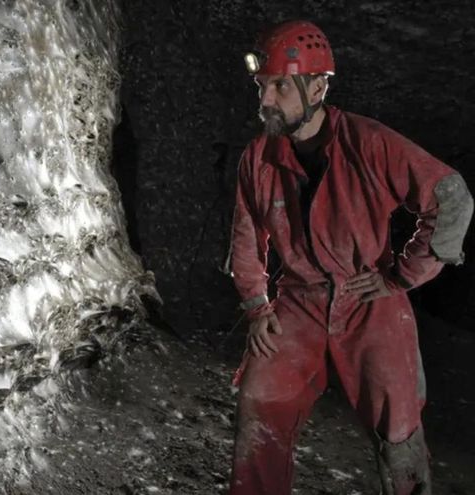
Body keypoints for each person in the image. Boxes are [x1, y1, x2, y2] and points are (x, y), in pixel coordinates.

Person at [226, 20, 474, 495]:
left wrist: (403, 277)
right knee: (260, 398)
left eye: (279, 86)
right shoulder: (258, 157)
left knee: (399, 427)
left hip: (368, 298)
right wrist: (257, 306)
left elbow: (450, 196)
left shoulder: (368, 141)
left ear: (317, 86)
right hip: (297, 301)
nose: (266, 101)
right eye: (262, 87)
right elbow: (245, 236)